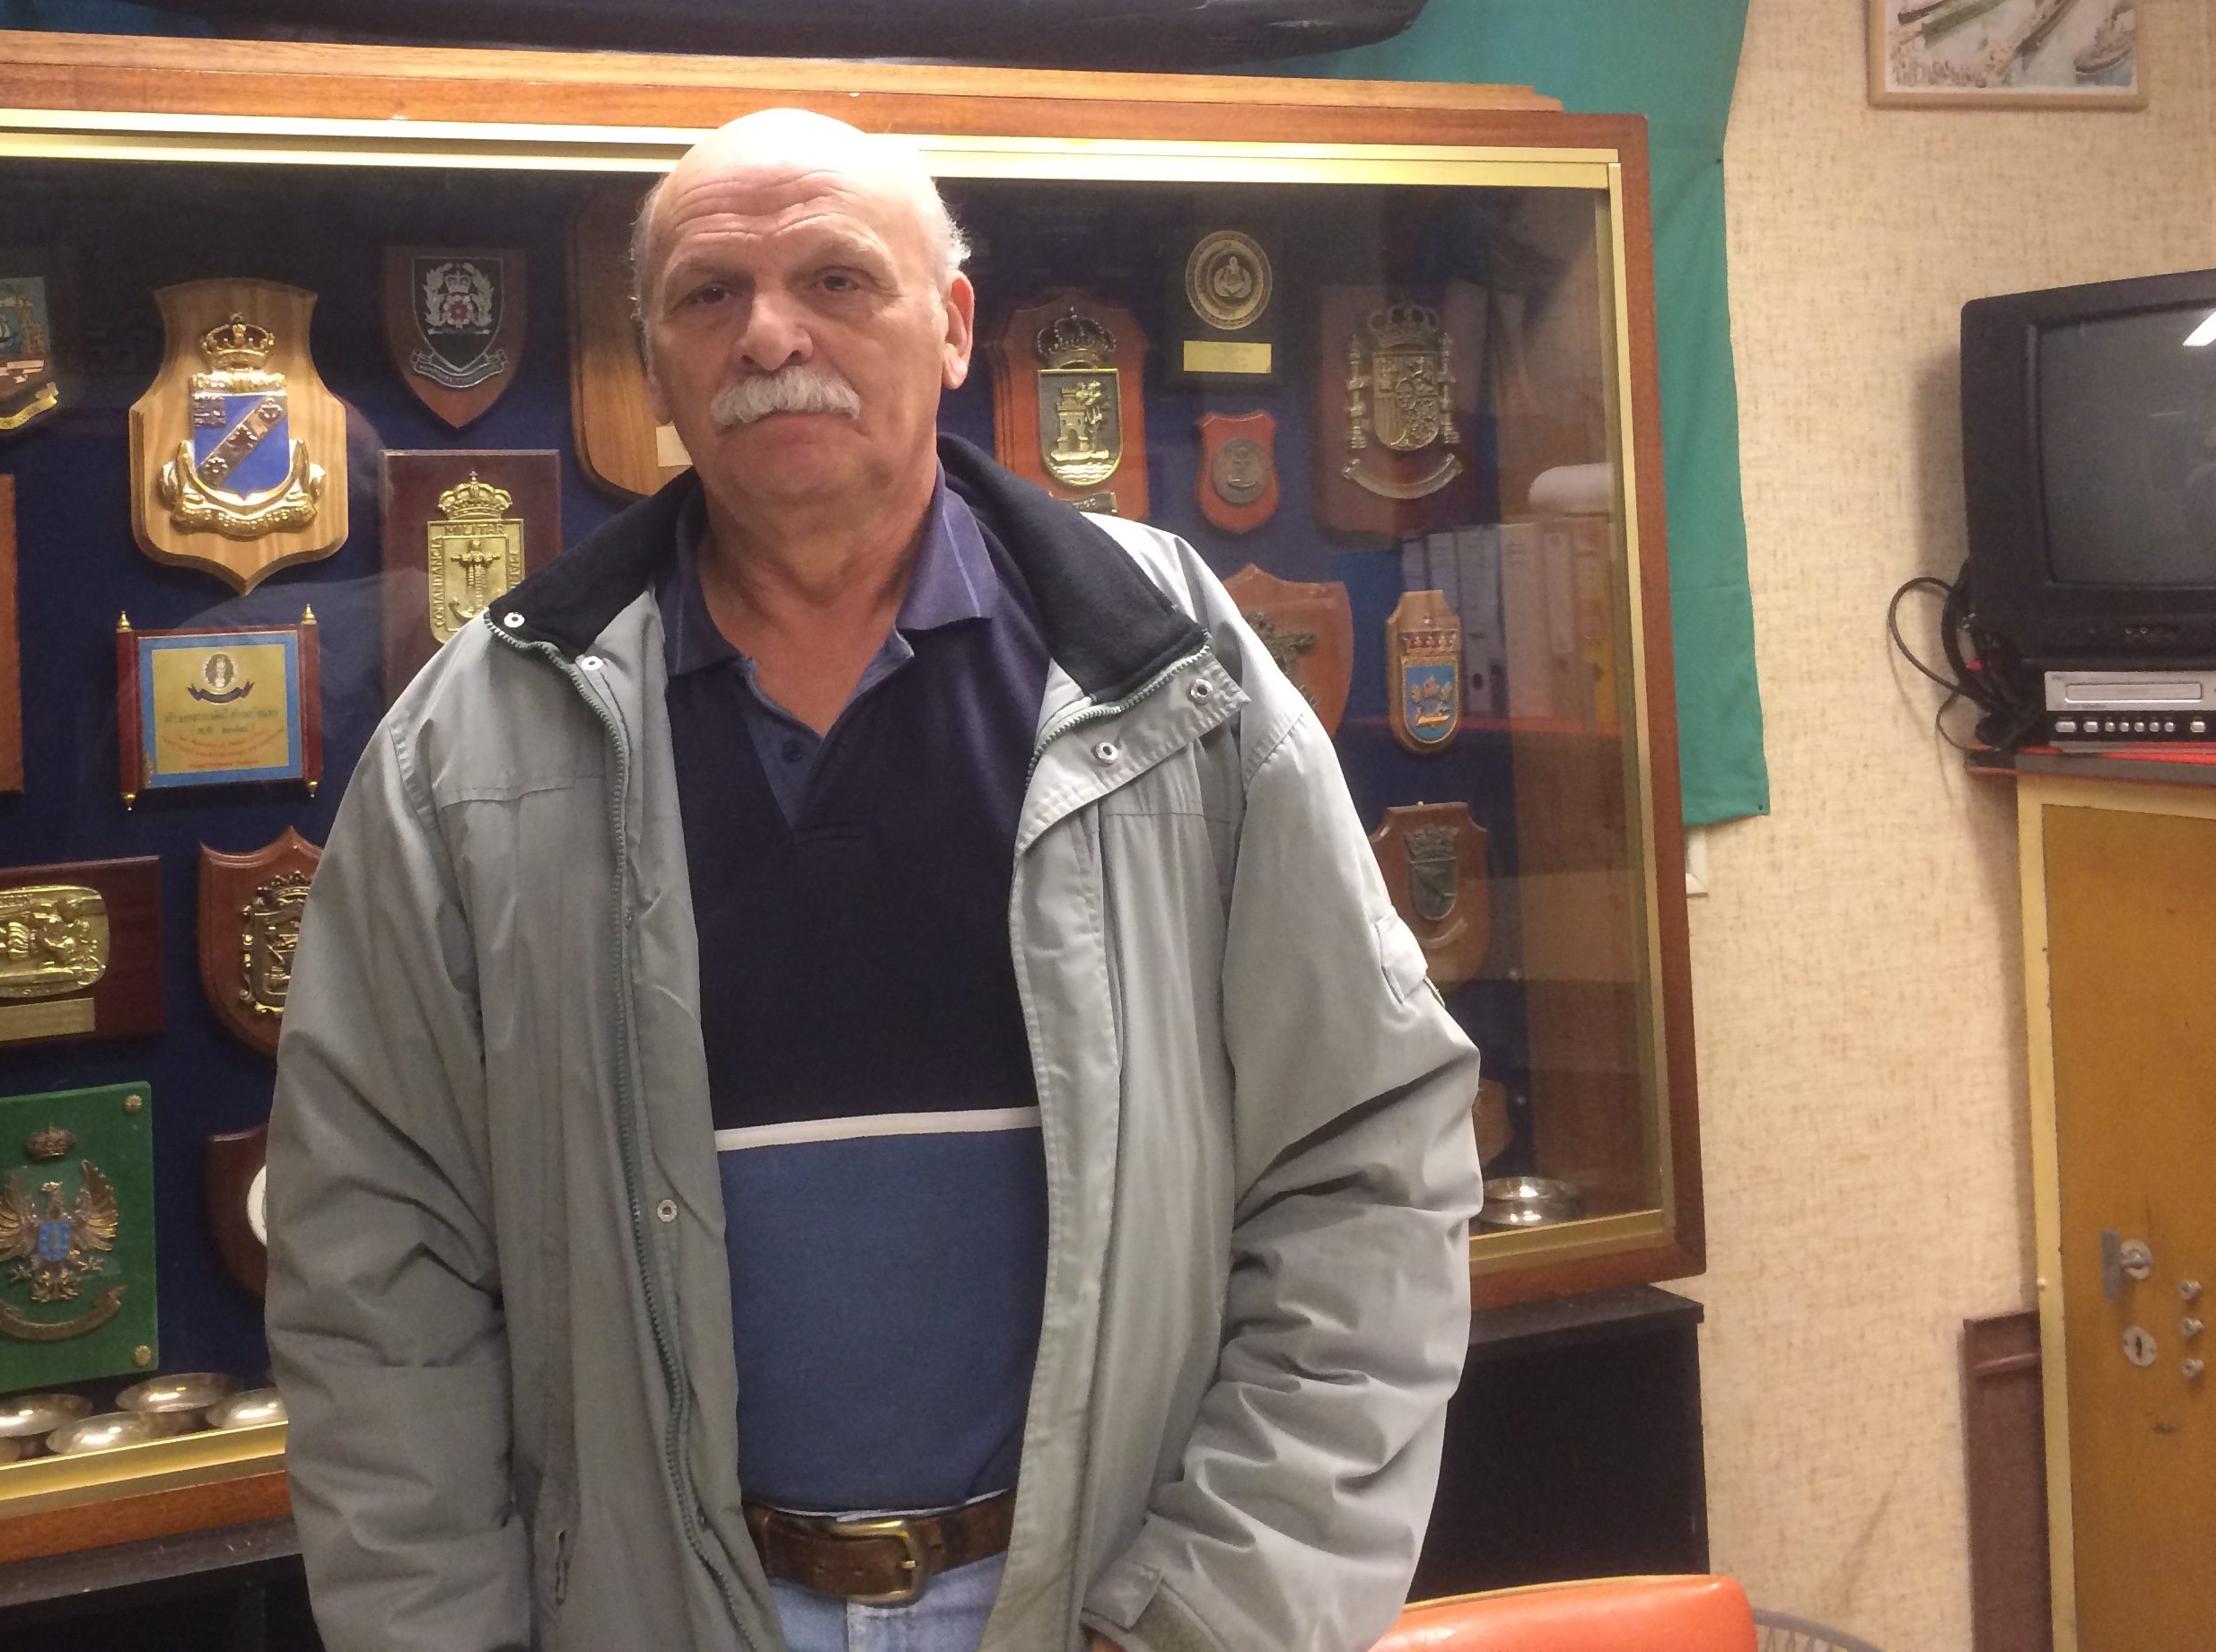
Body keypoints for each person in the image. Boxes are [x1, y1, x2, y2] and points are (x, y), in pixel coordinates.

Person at [267, 109, 1484, 1652]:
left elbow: (1366, 1164)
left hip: (1103, 1601)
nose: (771, 334)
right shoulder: (474, 744)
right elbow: (375, 1261)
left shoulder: (1174, 675)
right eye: (710, 295)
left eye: (837, 279)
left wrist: (1209, 1619)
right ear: (653, 365)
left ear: (955, 326)